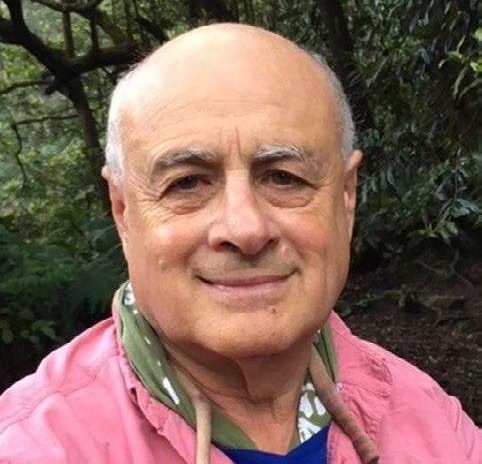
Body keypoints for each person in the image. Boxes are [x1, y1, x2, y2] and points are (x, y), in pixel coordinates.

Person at [0, 23, 480, 464]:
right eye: (188, 183)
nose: (246, 229)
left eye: (284, 177)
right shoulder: (37, 448)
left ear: (346, 196)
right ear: (123, 211)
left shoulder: (435, 425)